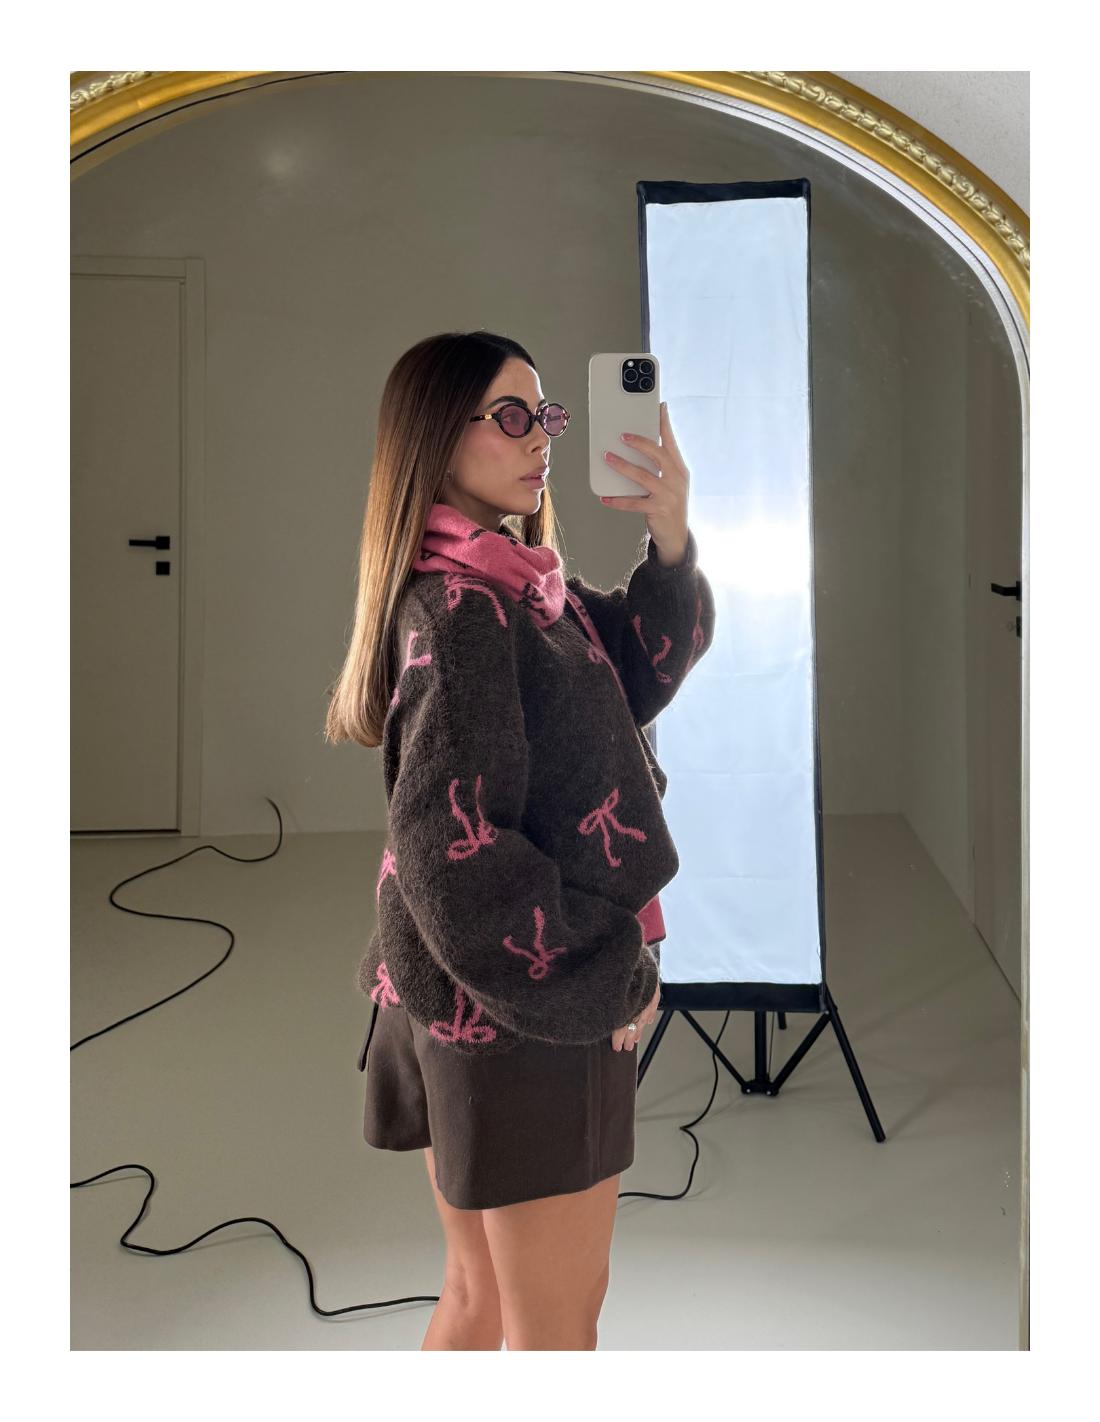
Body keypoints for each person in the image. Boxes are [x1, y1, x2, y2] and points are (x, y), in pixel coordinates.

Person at [325, 330, 715, 1350]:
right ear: (433, 437)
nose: (540, 436)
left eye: (544, 413)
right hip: (525, 1013)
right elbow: (453, 858)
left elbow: (639, 669)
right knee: (556, 1330)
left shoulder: (514, 585)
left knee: (479, 1299)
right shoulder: (464, 610)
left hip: (460, 1000)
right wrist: (610, 971)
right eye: (510, 415)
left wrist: (670, 538)